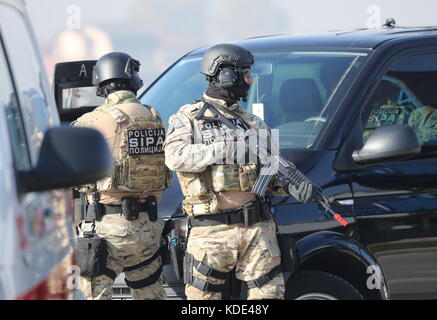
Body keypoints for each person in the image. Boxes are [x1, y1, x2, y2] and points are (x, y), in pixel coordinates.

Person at [164, 43, 314, 300]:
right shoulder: (189, 118)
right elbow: (174, 157)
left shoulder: (253, 123)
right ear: (224, 74)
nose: (250, 80)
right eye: (244, 73)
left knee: (269, 296)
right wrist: (222, 149)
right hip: (212, 230)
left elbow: (272, 169)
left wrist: (289, 186)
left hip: (257, 229)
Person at [72, 52, 171, 300]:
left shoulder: (91, 120)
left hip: (108, 228)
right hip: (149, 228)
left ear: (102, 84)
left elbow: (69, 173)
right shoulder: (154, 117)